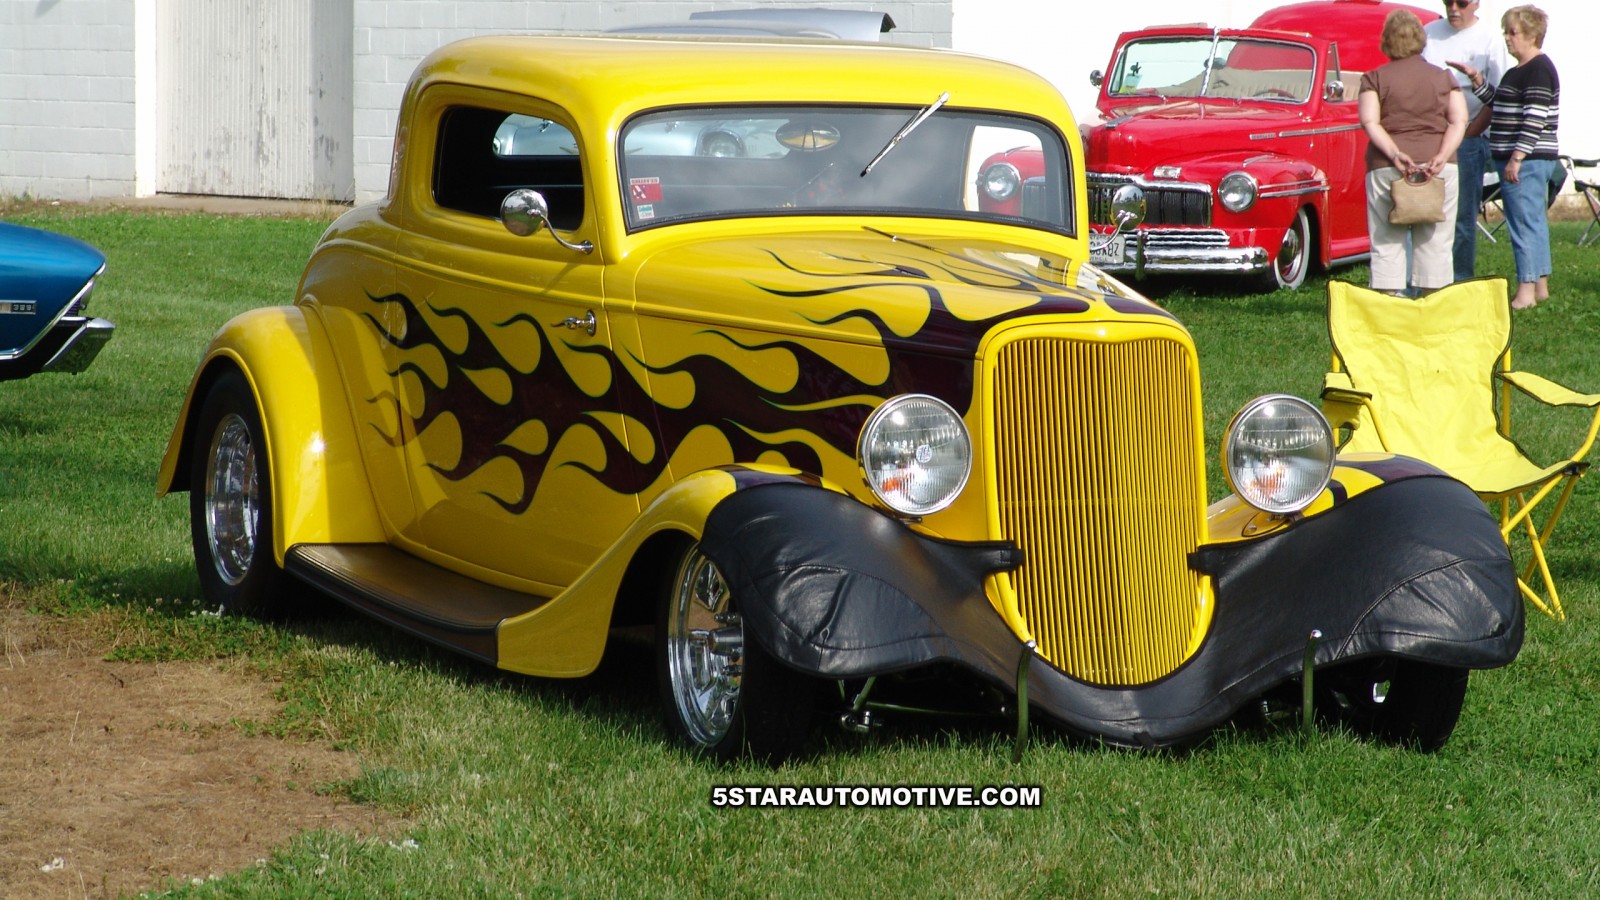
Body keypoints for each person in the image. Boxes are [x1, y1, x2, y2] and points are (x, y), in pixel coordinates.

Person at [1359, 9, 1468, 295]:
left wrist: (1395, 154)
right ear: (1421, 39)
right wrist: (1442, 155)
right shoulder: (1444, 77)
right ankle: (1434, 304)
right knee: (1436, 241)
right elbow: (1459, 120)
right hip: (1438, 168)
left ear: (1386, 41)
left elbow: (1369, 121)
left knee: (1386, 240)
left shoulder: (1374, 78)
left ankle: (1389, 304)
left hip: (1386, 168)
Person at [1475, 5, 1561, 309]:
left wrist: (1517, 158)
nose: (1507, 38)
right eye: (1506, 32)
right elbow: (1502, 104)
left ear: (1532, 35)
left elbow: (1534, 118)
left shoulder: (1537, 69)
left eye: (1513, 32)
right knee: (1534, 221)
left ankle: (1526, 291)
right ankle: (1540, 287)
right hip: (1528, 158)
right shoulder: (1518, 71)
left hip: (1526, 160)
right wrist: (1479, 84)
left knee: (1522, 225)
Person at [1423, 0, 1512, 283]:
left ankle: (1460, 279)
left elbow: (1498, 96)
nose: (1453, 8)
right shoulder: (1429, 33)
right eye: (1447, 2)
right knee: (1425, 210)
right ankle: (1426, 278)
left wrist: (1472, 131)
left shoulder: (1489, 39)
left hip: (1469, 137)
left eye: (1461, 3)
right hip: (1431, 134)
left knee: (1462, 215)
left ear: (1476, 3)